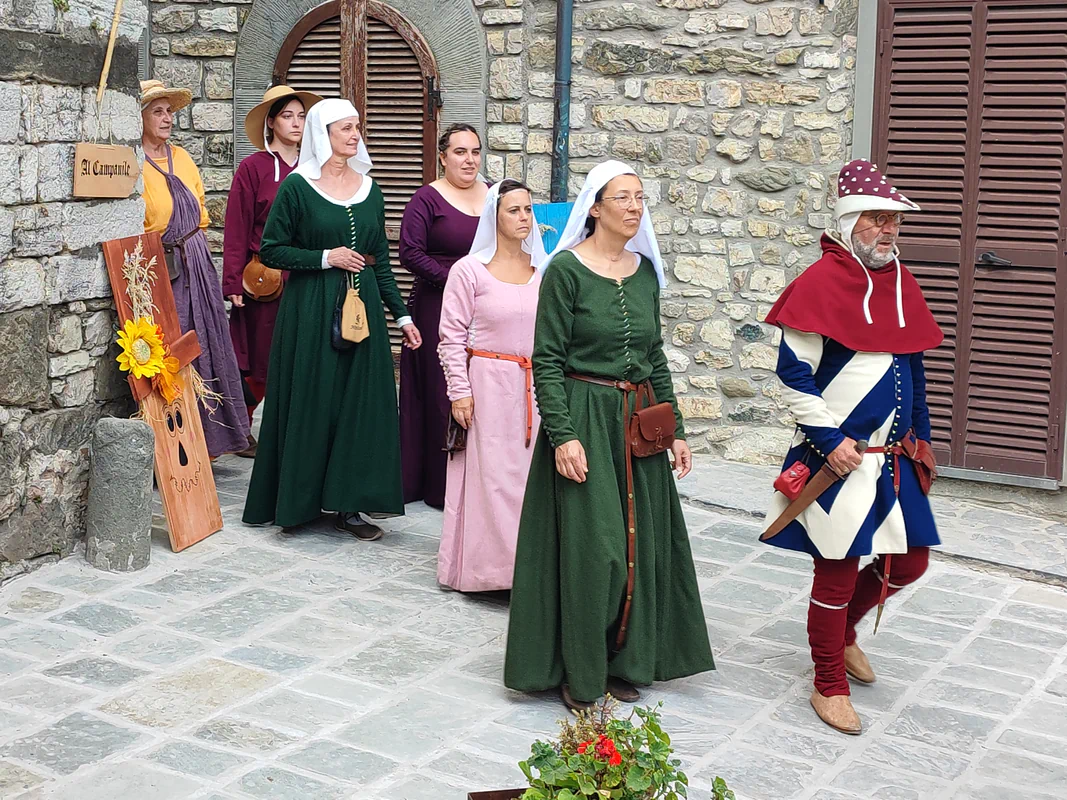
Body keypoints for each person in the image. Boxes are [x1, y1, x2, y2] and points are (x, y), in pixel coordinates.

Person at [503, 160, 715, 712]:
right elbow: (545, 362)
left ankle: (624, 658)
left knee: (637, 547)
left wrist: (677, 431)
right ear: (594, 208)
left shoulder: (645, 272)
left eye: (640, 197)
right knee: (594, 551)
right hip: (585, 419)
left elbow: (654, 357)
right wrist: (563, 435)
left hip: (638, 421)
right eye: (623, 197)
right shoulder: (565, 272)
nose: (634, 206)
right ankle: (580, 668)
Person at [763, 159, 942, 735]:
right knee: (836, 573)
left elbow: (912, 366)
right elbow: (794, 377)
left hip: (892, 459)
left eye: (894, 222)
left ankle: (843, 636)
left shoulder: (902, 283)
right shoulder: (817, 285)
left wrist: (923, 440)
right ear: (847, 222)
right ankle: (828, 681)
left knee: (909, 561)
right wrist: (830, 438)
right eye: (876, 219)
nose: (888, 231)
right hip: (836, 458)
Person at [242, 98, 422, 541]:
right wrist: (326, 257)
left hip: (362, 317)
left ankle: (351, 505)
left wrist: (401, 316)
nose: (354, 134)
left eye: (357, 127)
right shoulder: (298, 187)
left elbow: (377, 261)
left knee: (359, 407)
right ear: (324, 134)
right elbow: (272, 249)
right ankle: (299, 502)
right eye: (345, 128)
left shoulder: (370, 189)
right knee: (313, 401)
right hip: (309, 310)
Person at [436, 180, 546, 592]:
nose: (523, 218)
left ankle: (528, 573)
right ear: (493, 218)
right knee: (490, 481)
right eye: (513, 210)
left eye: (528, 210)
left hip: (534, 389)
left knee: (529, 481)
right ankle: (490, 574)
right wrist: (459, 391)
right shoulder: (469, 271)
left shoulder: (544, 271)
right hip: (486, 387)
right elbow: (450, 337)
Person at [140, 79, 250, 458]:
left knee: (208, 343)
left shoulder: (183, 158)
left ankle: (215, 440)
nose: (168, 118)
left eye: (169, 111)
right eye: (158, 111)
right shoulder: (134, 164)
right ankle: (174, 446)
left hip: (196, 263)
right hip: (160, 267)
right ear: (140, 118)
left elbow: (200, 211)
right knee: (170, 350)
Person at [222, 85, 321, 458]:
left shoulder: (316, 169)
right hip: (265, 279)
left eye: (301, 116)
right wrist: (233, 280)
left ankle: (297, 430)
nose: (296, 123)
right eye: (287, 116)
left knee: (303, 353)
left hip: (309, 276)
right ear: (271, 122)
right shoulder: (254, 168)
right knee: (258, 356)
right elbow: (237, 225)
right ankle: (242, 430)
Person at [399, 124, 488, 510]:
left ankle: (480, 478)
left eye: (475, 152)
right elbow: (409, 252)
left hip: (487, 304)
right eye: (460, 152)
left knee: (481, 386)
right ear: (443, 157)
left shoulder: (494, 196)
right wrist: (456, 280)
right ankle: (439, 484)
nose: (469, 160)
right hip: (438, 303)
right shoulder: (427, 199)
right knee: (442, 390)